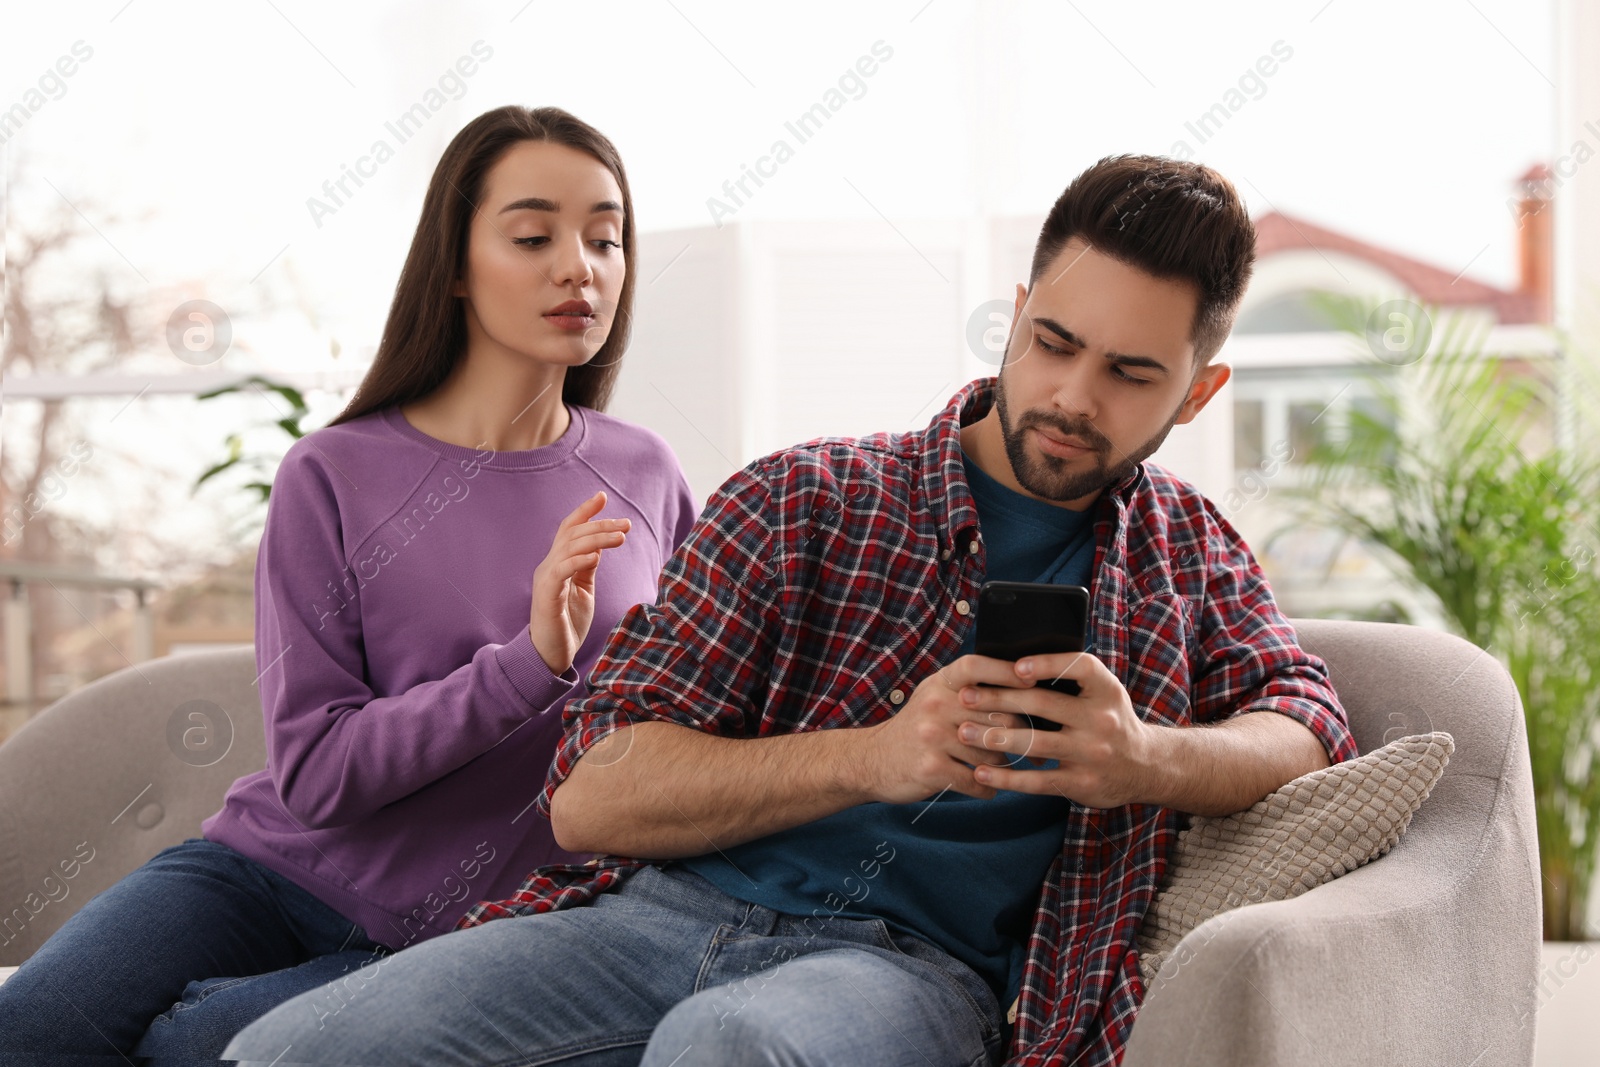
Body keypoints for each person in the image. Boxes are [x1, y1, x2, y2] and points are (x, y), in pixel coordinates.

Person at [226, 154, 1360, 1067]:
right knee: (283, 1049)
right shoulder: (799, 499)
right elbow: (593, 793)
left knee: (730, 1043)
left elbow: (1306, 717)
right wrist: (878, 754)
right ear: (1014, 317)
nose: (1071, 395)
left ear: (1199, 390)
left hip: (906, 972)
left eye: (1129, 373)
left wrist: (1144, 757)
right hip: (651, 917)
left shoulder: (1190, 555)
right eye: (1053, 344)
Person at [0, 105, 696, 1064]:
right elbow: (319, 774)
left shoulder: (648, 474)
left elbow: (688, 725)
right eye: (534, 235)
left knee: (194, 1046)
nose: (581, 266)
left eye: (607, 238)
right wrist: (527, 664)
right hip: (266, 870)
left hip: (477, 931)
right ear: (454, 264)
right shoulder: (332, 473)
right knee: (27, 1034)